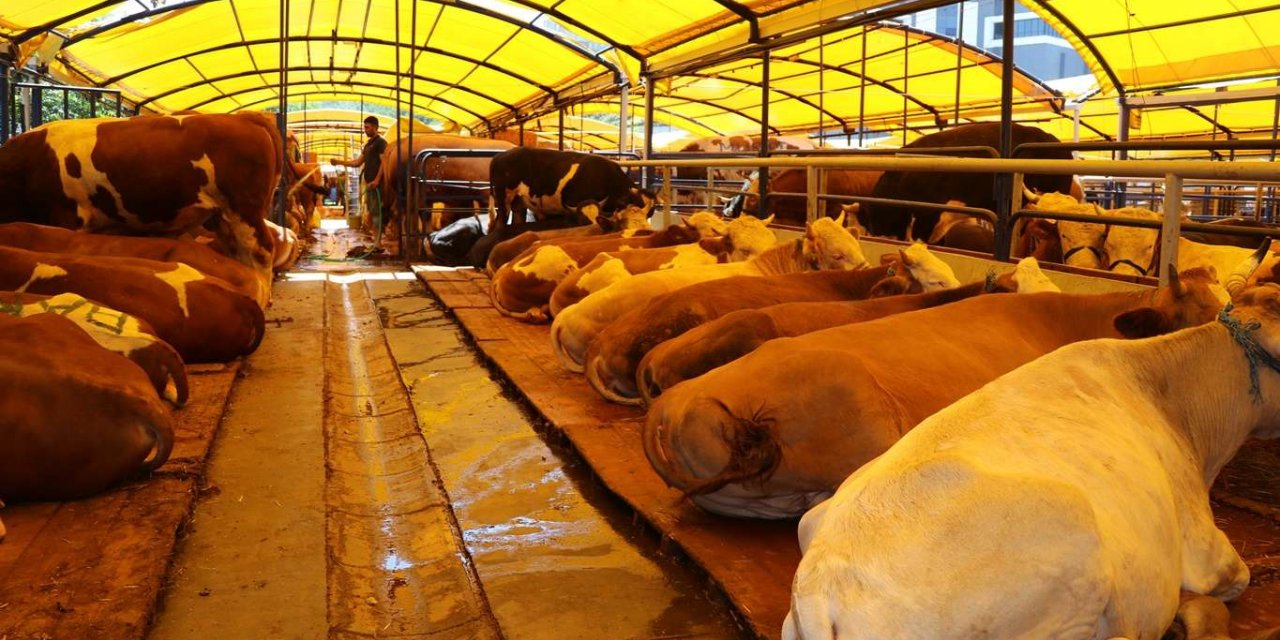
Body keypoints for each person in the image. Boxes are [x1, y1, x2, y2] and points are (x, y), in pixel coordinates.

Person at [330, 115, 387, 228]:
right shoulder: (368, 145)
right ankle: (376, 237)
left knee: (376, 213)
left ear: (375, 127)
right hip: (369, 183)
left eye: (367, 127)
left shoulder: (381, 143)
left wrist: (377, 180)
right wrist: (339, 162)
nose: (365, 130)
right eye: (364, 127)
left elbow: (384, 162)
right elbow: (357, 162)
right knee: (372, 211)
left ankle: (378, 238)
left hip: (377, 184)